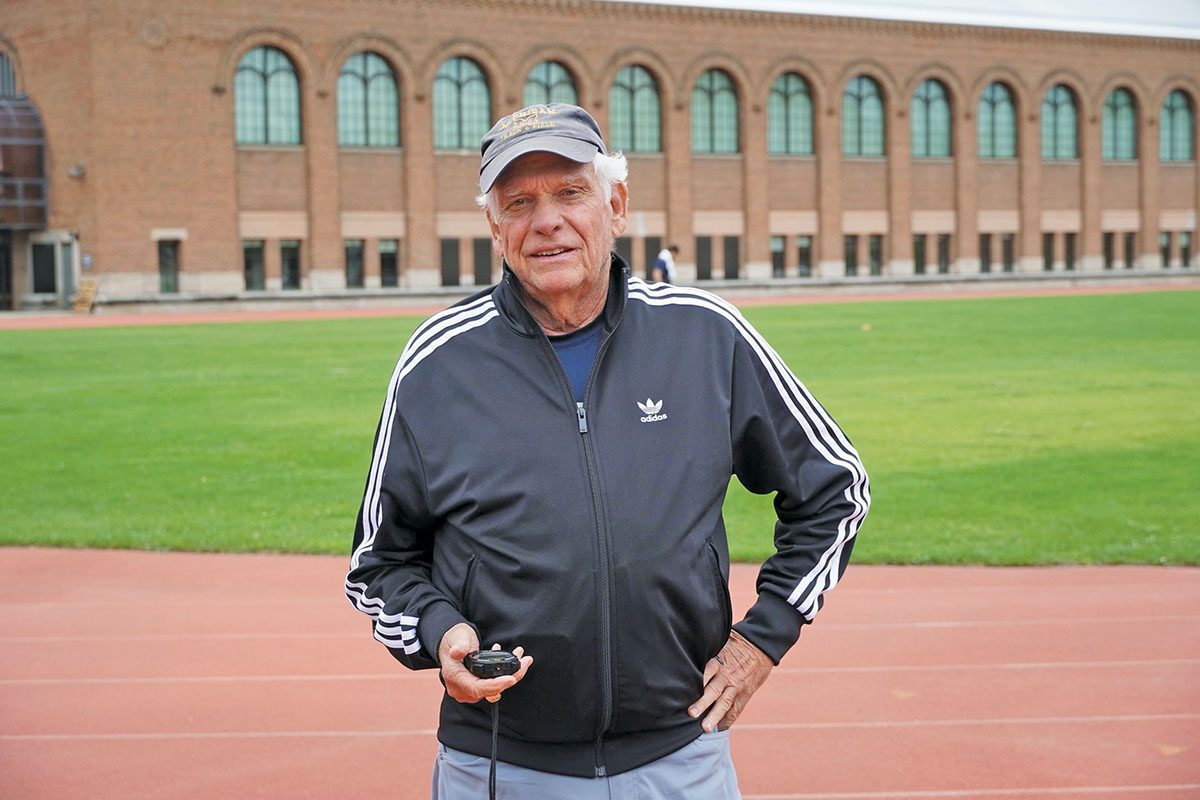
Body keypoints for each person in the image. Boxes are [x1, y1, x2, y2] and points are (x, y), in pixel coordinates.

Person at [345, 103, 870, 798]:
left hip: (679, 759)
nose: (547, 220)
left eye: (570, 193)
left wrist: (762, 639)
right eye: (520, 203)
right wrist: (440, 633)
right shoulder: (437, 363)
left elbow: (836, 487)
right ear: (495, 228)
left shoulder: (704, 336)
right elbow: (378, 564)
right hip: (499, 762)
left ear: (615, 205)